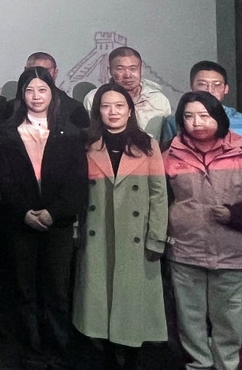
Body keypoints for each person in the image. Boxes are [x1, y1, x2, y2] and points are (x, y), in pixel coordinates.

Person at [0, 66, 87, 369]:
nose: (36, 96)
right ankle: (31, 348)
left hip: (57, 223)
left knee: (57, 290)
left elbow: (76, 181)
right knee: (24, 289)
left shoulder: (70, 132)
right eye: (30, 90)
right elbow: (3, 180)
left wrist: (53, 212)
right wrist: (24, 212)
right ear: (22, 95)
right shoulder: (6, 133)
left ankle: (58, 348)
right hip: (20, 221)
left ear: (52, 93)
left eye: (42, 90)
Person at [72, 83, 166, 370]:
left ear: (130, 110)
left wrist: (156, 237)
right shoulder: (86, 144)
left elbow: (158, 194)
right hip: (98, 233)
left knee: (132, 303)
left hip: (135, 235)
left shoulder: (148, 144)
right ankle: (108, 358)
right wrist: (75, 231)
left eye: (119, 105)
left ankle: (132, 359)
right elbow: (75, 191)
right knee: (98, 302)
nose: (113, 112)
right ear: (97, 111)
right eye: (106, 106)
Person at [164, 92, 242, 370]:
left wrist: (235, 215)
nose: (196, 122)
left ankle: (227, 365)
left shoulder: (240, 150)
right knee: (189, 317)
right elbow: (159, 200)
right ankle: (198, 364)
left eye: (204, 115)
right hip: (185, 249)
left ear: (218, 117)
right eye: (188, 116)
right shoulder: (169, 154)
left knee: (229, 318)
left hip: (232, 250)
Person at [82, 47, 171, 140]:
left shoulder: (158, 100)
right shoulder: (93, 99)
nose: (128, 75)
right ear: (110, 71)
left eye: (133, 69)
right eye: (120, 69)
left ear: (141, 69)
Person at [160, 60, 242, 149]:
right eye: (202, 84)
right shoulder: (174, 122)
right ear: (191, 87)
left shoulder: (239, 120)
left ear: (226, 89)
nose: (210, 90)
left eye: (217, 84)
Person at [25, 52, 90, 129]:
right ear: (25, 71)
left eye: (46, 71)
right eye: (34, 71)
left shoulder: (74, 109)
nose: (40, 75)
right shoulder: (14, 108)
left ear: (55, 73)